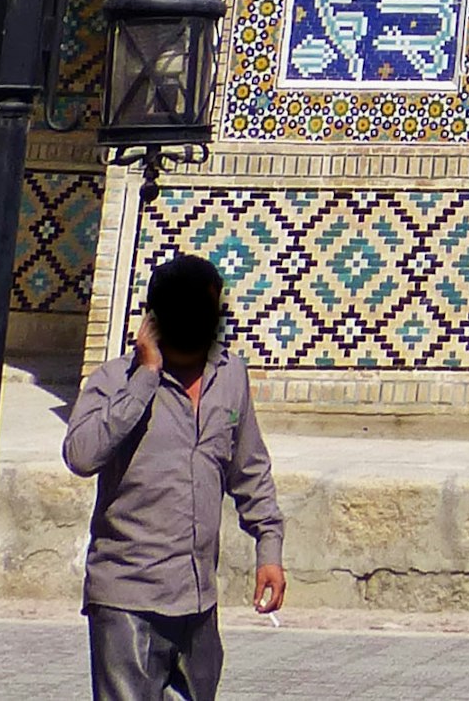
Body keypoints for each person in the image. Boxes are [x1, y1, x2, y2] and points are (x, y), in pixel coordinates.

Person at [60, 251, 287, 701]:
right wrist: (145, 377)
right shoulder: (113, 381)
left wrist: (270, 548)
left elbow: (250, 469)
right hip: (128, 598)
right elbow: (81, 455)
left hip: (197, 599)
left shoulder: (231, 377)